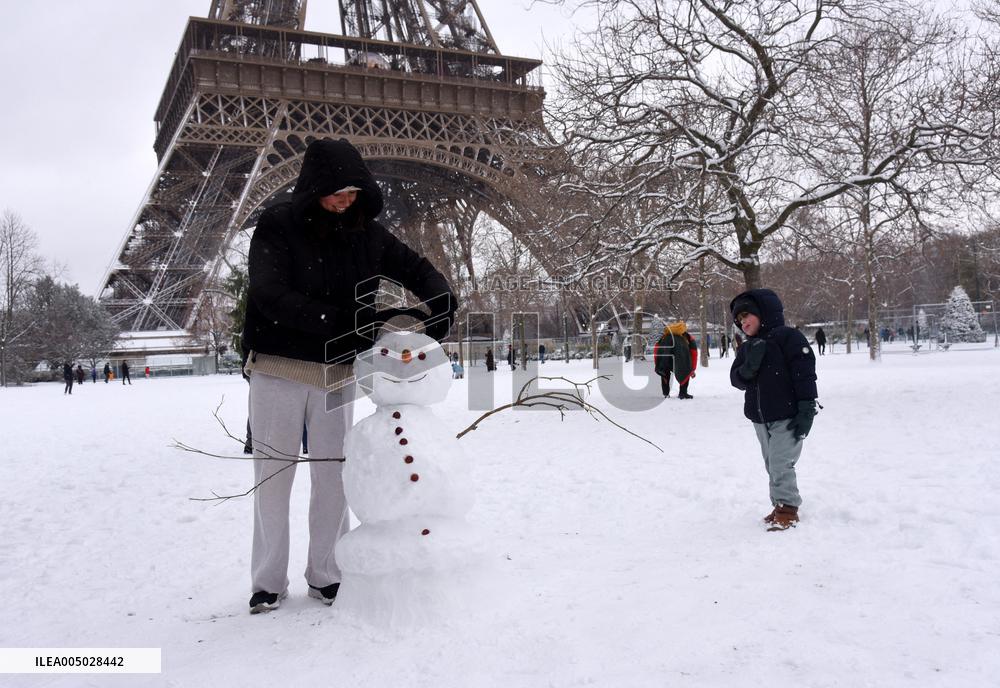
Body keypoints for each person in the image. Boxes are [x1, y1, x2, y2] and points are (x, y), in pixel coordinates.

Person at [241, 137, 456, 614]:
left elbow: (419, 270)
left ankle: (325, 574)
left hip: (336, 373)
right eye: (336, 190)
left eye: (354, 190)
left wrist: (440, 306)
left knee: (333, 477)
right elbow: (268, 295)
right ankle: (267, 580)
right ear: (314, 186)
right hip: (279, 368)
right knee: (273, 477)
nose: (345, 199)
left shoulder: (368, 234)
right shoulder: (278, 225)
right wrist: (348, 324)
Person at [729, 289, 818, 531]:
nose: (742, 322)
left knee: (781, 462)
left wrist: (807, 406)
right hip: (760, 417)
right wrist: (748, 367)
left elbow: (805, 374)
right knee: (771, 463)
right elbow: (736, 380)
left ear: (762, 313)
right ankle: (779, 503)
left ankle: (788, 508)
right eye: (738, 320)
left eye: (746, 315)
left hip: (787, 415)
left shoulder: (788, 338)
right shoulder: (748, 347)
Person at [653, 321, 697, 399]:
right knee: (685, 373)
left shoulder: (664, 337)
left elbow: (656, 350)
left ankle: (666, 393)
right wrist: (692, 369)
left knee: (665, 374)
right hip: (681, 359)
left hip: (665, 359)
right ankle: (683, 393)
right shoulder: (688, 337)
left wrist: (658, 364)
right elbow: (694, 353)